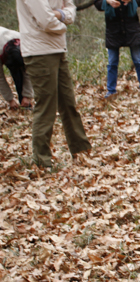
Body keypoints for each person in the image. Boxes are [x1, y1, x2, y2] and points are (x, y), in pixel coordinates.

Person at [16, 0, 92, 168]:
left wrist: (61, 14)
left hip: (58, 48)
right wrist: (63, 23)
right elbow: (46, 21)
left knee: (68, 103)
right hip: (38, 52)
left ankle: (81, 151)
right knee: (47, 107)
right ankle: (42, 161)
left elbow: (70, 8)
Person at [94, 0, 140, 99]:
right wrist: (108, 1)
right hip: (113, 29)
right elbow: (97, 4)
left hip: (132, 28)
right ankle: (111, 91)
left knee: (138, 61)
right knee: (112, 62)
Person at [0, 27, 33, 110]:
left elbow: (28, 71)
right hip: (3, 48)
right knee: (17, 73)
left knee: (20, 74)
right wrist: (10, 99)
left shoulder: (26, 44)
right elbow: (0, 79)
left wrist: (27, 95)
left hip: (18, 50)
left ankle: (25, 103)